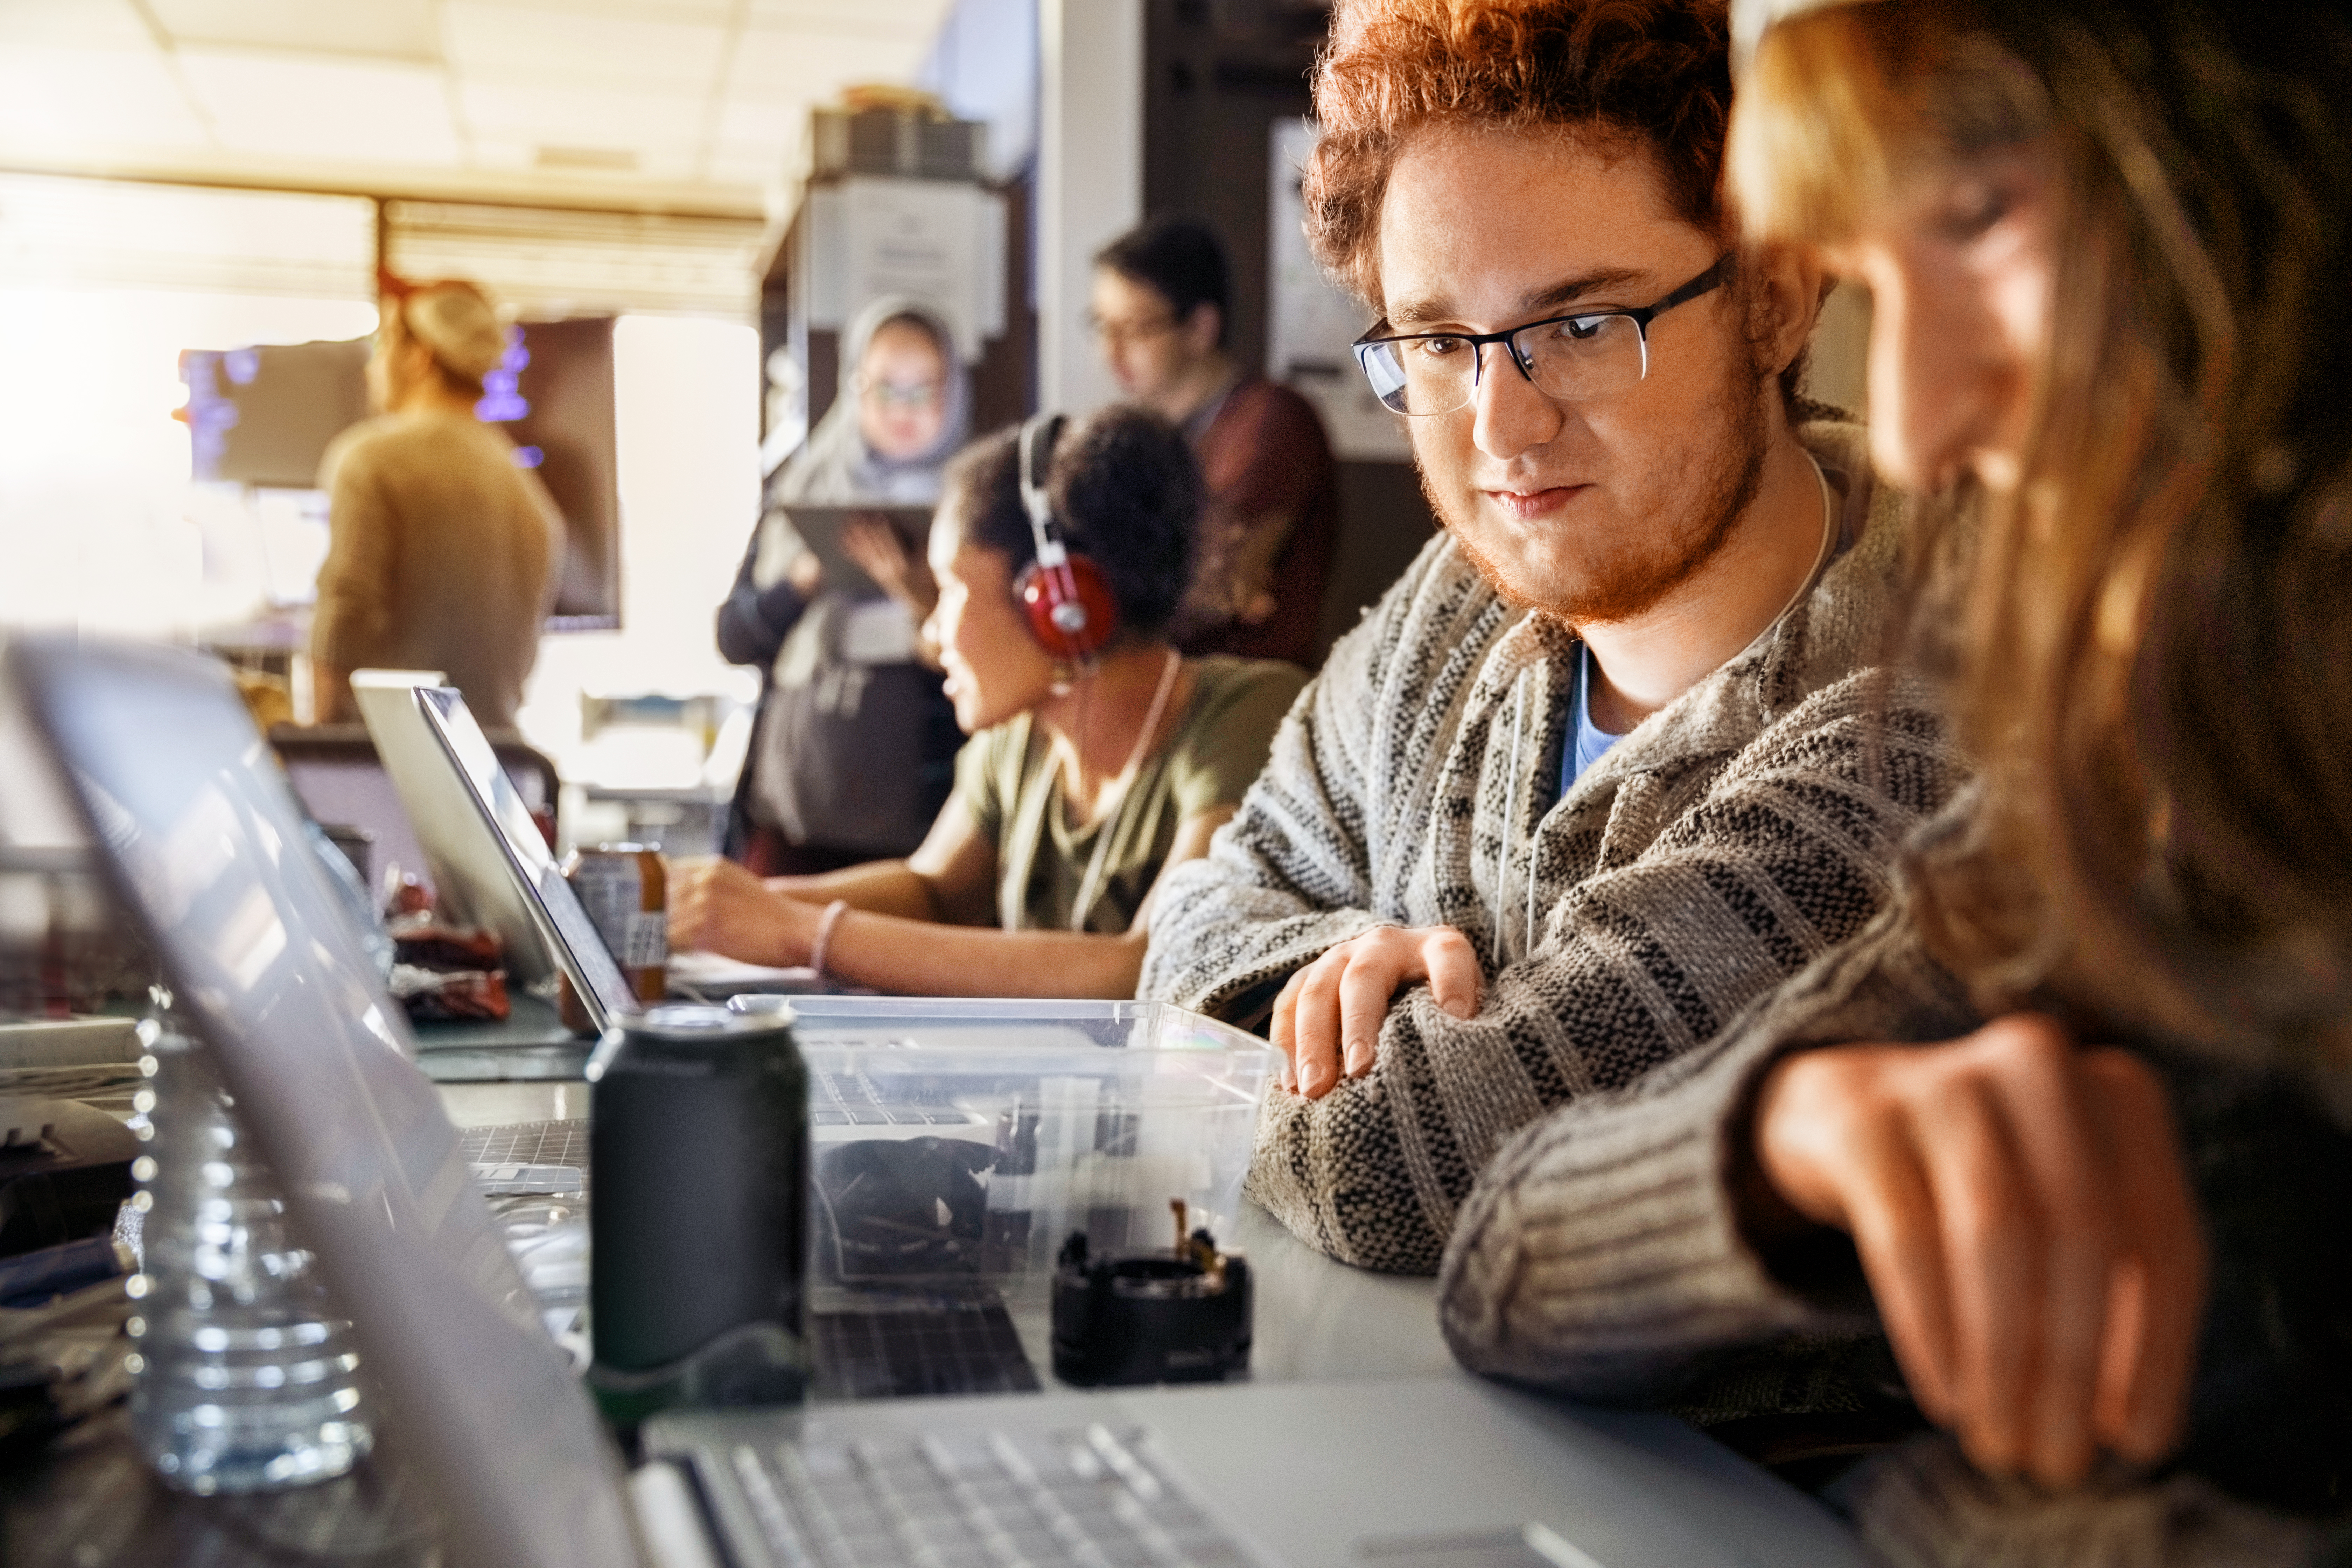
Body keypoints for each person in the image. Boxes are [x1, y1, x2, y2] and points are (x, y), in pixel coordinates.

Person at [1437, 0, 2352, 1561]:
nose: (1918, 420)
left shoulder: (1900, 707)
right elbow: (1500, 1255)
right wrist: (1791, 1132)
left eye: (1983, 213)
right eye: (1877, 277)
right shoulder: (2145, 764)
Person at [1137, 0, 1969, 1275]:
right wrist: (1331, 972)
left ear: (1775, 299)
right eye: (1435, 341)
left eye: (1579, 326)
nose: (1499, 428)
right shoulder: (1454, 603)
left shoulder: (1926, 687)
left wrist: (1257, 1048)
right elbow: (1186, 919)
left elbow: (1398, 1169)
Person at [672, 407, 1306, 999]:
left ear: (1059, 602)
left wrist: (799, 934)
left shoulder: (1249, 715)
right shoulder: (1020, 738)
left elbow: (1142, 968)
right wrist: (738, 905)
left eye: (949, 591)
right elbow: (934, 892)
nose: (931, 633)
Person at [718, 297, 969, 876]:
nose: (903, 410)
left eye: (923, 388)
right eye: (884, 387)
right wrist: (803, 580)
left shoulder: (975, 505)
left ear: (953, 390)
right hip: (790, 817)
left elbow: (989, 664)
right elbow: (734, 639)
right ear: (854, 387)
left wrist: (908, 585)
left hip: (919, 836)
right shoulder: (805, 490)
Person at [312, 278, 561, 727]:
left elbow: (343, 622)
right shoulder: (531, 498)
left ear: (419, 356)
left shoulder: (373, 460)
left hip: (391, 769)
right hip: (493, 773)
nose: (373, 367)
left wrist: (312, 753)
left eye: (382, 345)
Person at [1091, 216, 1338, 668]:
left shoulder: (1274, 420)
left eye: (1134, 328)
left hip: (1246, 708)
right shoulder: (1148, 440)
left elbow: (1213, 584)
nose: (1111, 351)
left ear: (1201, 328)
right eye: (1102, 326)